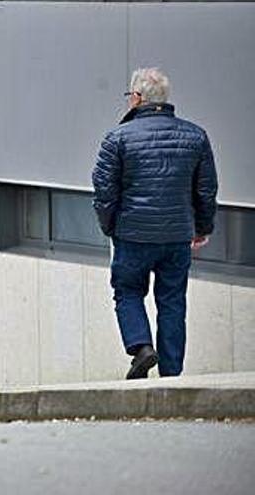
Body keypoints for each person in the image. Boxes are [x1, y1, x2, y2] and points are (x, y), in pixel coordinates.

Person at [92, 67, 218, 379]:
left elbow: (104, 190)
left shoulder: (117, 137)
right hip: (177, 236)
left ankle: (141, 347)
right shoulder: (195, 135)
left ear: (136, 98)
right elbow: (206, 189)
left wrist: (110, 226)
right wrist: (202, 228)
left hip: (132, 235)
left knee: (128, 291)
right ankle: (172, 374)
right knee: (173, 301)